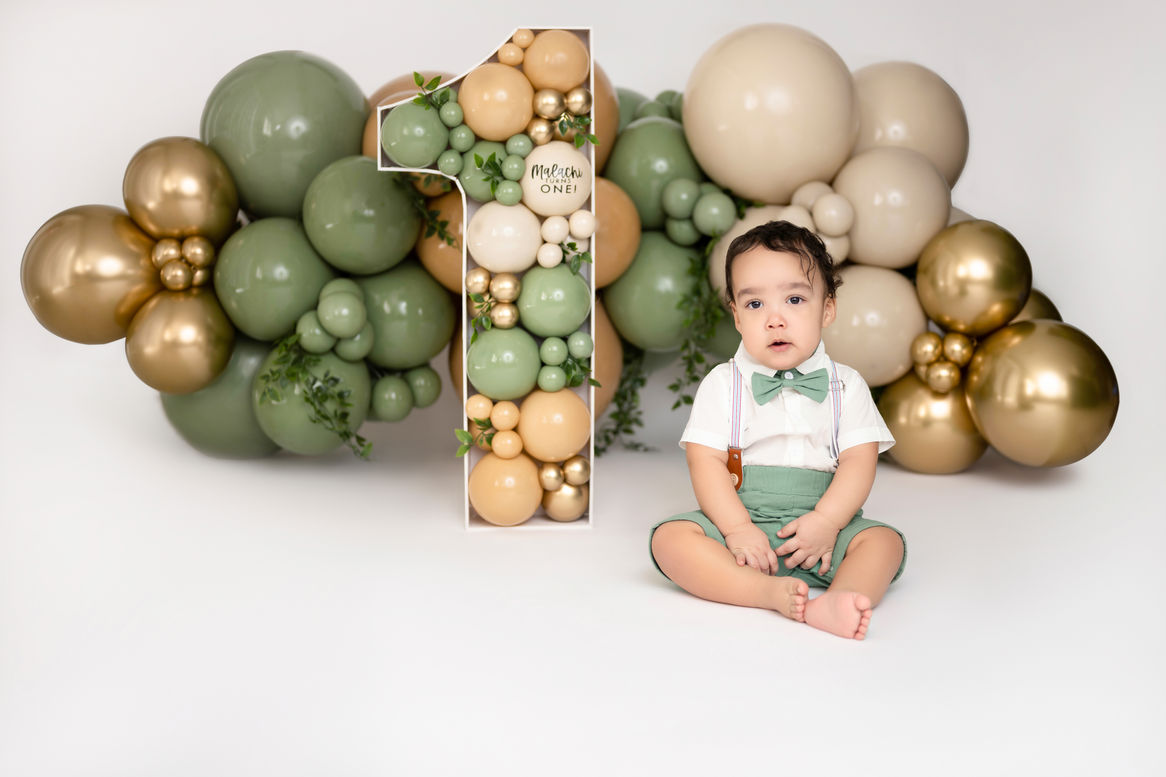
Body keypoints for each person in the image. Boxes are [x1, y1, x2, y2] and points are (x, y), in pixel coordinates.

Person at [649, 220, 906, 640]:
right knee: (670, 539)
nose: (775, 319)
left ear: (827, 308)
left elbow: (859, 462)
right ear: (736, 316)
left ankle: (839, 600)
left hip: (825, 527)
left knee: (883, 543)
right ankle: (765, 592)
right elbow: (705, 461)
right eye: (754, 304)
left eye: (794, 299)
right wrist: (737, 529)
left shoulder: (847, 385)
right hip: (742, 520)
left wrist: (827, 521)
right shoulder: (723, 383)